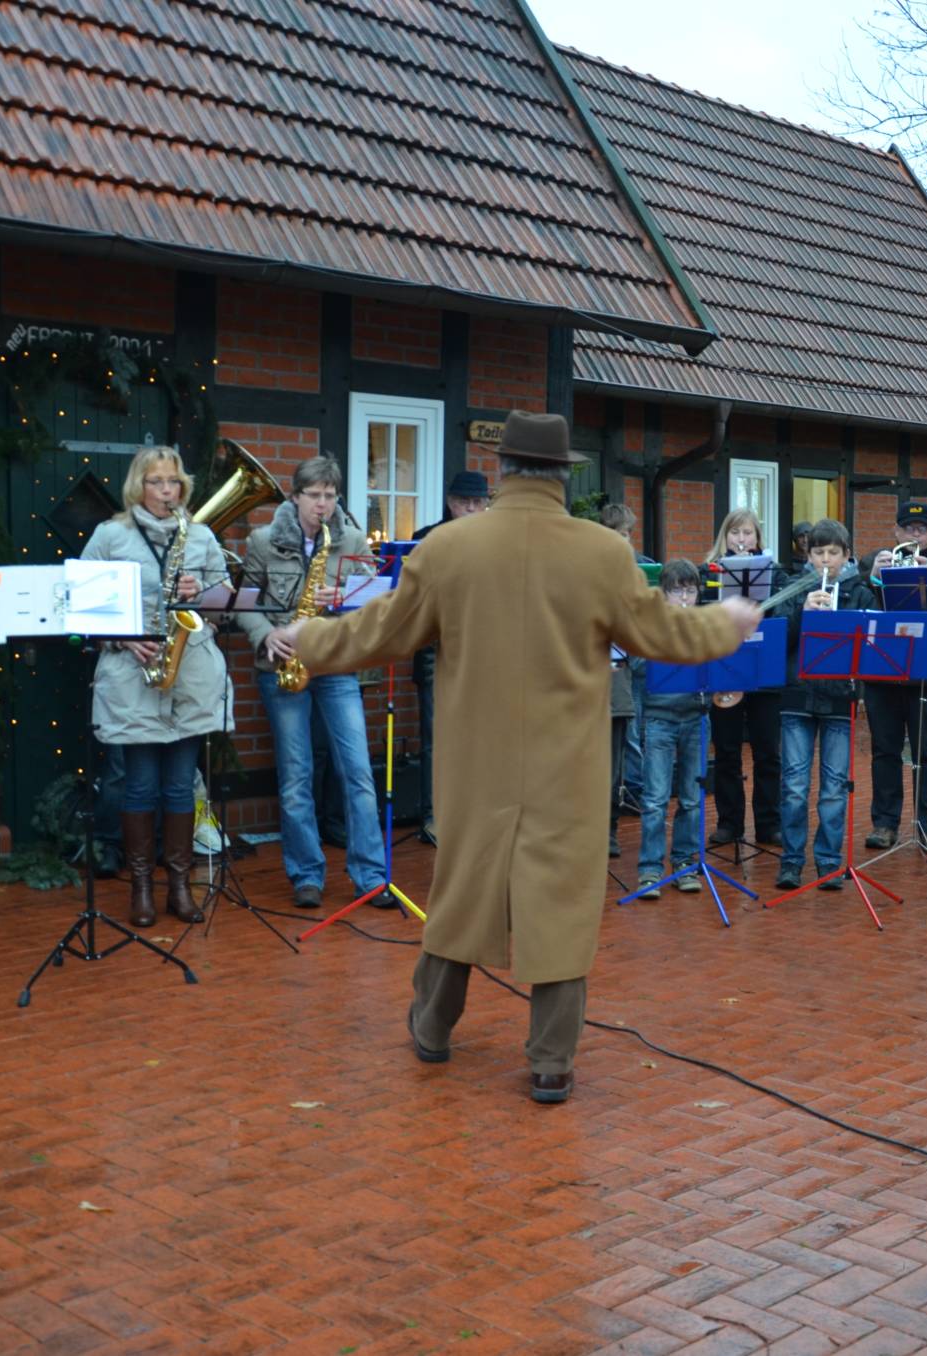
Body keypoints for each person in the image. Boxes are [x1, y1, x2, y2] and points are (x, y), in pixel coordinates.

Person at [273, 411, 760, 1104]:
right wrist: (725, 624)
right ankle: (551, 1063)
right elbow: (661, 635)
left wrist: (311, 639)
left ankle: (432, 1029)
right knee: (561, 904)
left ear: (501, 470)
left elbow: (383, 630)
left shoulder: (450, 547)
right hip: (569, 765)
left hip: (476, 762)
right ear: (564, 475)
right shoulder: (603, 553)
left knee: (462, 894)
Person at [79, 447, 235, 927]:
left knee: (181, 785)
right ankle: (142, 887)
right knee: (141, 785)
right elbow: (82, 606)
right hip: (134, 675)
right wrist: (123, 638)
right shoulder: (110, 535)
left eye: (174, 482)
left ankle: (180, 887)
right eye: (157, 482)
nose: (167, 491)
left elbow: (226, 603)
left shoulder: (201, 535)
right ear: (138, 486)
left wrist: (201, 593)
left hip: (190, 675)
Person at [239, 456, 389, 911]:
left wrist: (344, 598)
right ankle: (306, 875)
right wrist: (265, 635)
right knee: (296, 776)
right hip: (283, 666)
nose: (323, 504)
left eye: (330, 496)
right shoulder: (263, 541)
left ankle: (371, 876)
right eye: (314, 495)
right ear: (296, 496)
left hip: (335, 665)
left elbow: (377, 600)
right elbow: (245, 602)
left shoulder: (353, 540)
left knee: (358, 772)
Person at [771, 519, 877, 892]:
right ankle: (791, 862)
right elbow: (778, 641)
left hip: (838, 699)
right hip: (797, 696)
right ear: (808, 555)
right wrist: (803, 611)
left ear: (846, 555)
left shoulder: (860, 593)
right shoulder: (792, 588)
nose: (826, 560)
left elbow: (871, 645)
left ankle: (829, 862)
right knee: (794, 786)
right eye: (819, 553)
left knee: (834, 787)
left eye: (834, 553)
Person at [860, 502, 927, 854]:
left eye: (922, 529)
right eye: (909, 528)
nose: (915, 535)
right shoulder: (874, 561)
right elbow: (857, 602)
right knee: (884, 750)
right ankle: (884, 823)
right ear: (896, 532)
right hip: (883, 671)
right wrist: (872, 577)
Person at [410, 469, 489, 846]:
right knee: (437, 739)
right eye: (464, 503)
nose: (471, 509)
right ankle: (434, 816)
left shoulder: (497, 543)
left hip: (485, 653)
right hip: (436, 651)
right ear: (451, 503)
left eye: (478, 503)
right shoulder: (426, 540)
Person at [703, 509, 784, 848]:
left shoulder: (775, 574)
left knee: (767, 751)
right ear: (725, 536)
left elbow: (781, 617)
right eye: (735, 532)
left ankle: (768, 824)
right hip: (726, 672)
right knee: (726, 750)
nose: (741, 539)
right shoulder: (709, 572)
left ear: (757, 538)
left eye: (748, 533)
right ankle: (729, 823)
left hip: (764, 673)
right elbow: (702, 614)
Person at [630, 560, 710, 898]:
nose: (685, 598)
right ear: (663, 594)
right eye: (677, 591)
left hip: (696, 717)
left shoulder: (704, 625)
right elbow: (636, 666)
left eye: (690, 591)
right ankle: (650, 870)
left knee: (692, 799)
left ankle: (684, 863)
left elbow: (721, 668)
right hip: (659, 719)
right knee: (655, 799)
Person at [599, 502, 651, 855]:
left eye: (628, 535)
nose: (625, 541)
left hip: (618, 679)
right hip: (581, 683)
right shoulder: (583, 570)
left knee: (615, 761)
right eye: (618, 534)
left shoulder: (641, 571)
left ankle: (609, 831)